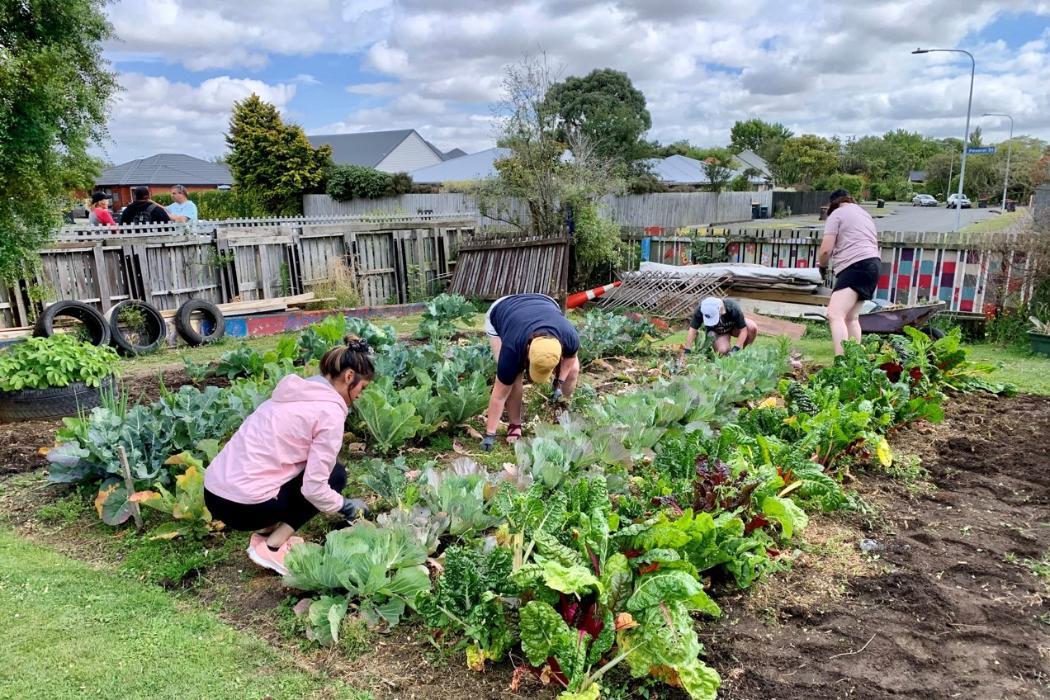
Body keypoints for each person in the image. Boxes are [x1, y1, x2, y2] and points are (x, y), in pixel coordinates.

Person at [203, 337, 373, 575]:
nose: (360, 395)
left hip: (213, 495)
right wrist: (345, 507)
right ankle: (271, 547)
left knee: (292, 471)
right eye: (362, 388)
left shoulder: (293, 393)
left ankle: (265, 531)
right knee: (335, 477)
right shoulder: (330, 412)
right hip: (243, 507)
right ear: (348, 377)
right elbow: (314, 489)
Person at [480, 293, 580, 451]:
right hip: (502, 310)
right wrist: (490, 435)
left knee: (573, 370)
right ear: (527, 352)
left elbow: (571, 358)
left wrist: (559, 383)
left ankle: (563, 412)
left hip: (544, 301)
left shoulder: (569, 336)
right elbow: (499, 395)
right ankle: (515, 424)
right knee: (512, 378)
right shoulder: (512, 349)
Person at [817, 189, 881, 355]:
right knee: (851, 317)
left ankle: (841, 361)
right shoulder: (864, 214)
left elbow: (825, 251)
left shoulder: (837, 214)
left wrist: (822, 267)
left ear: (833, 204)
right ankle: (854, 361)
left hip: (855, 266)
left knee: (834, 314)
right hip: (873, 265)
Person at [682, 296, 757, 356]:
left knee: (752, 327)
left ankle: (745, 352)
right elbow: (692, 329)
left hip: (734, 327)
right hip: (718, 332)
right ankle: (727, 351)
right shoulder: (700, 310)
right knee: (722, 351)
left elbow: (743, 330)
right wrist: (687, 349)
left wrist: (736, 348)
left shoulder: (732, 307)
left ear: (720, 309)